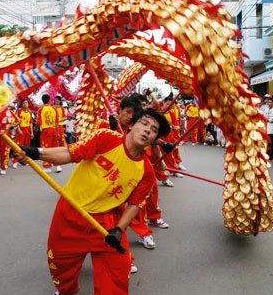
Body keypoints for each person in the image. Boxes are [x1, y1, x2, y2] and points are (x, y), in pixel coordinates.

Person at [15, 107, 170, 295]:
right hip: (71, 213)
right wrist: (36, 152)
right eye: (144, 124)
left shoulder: (145, 172)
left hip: (107, 224)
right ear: (132, 125)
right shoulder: (106, 138)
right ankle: (67, 289)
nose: (147, 130)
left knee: (116, 278)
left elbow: (135, 205)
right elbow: (70, 153)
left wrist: (119, 229)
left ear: (155, 139)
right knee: (61, 268)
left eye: (154, 130)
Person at [37, 94, 61, 173]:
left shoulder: (40, 110)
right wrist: (58, 133)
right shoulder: (54, 109)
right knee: (55, 148)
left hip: (46, 131)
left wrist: (36, 128)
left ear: (42, 100)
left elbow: (39, 122)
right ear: (49, 100)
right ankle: (58, 165)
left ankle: (47, 167)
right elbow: (57, 122)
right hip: (54, 130)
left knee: (46, 149)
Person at [13, 99, 34, 169]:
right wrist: (18, 129)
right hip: (20, 129)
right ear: (22, 104)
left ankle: (24, 161)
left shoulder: (30, 112)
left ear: (28, 104)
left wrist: (32, 132)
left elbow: (31, 122)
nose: (25, 104)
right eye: (24, 103)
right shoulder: (18, 111)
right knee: (18, 146)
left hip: (27, 129)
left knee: (27, 146)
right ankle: (15, 161)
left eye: (26, 103)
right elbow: (15, 121)